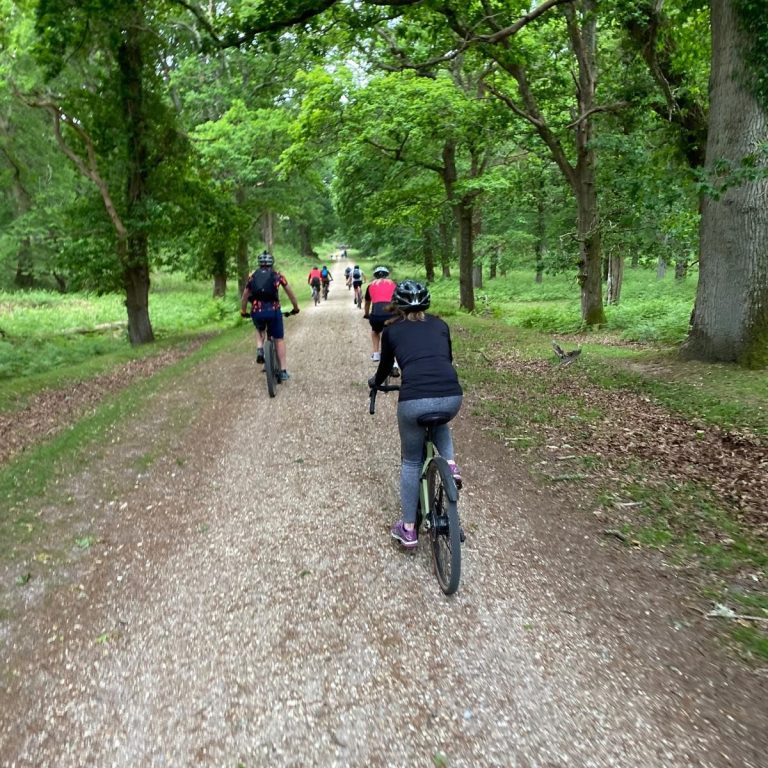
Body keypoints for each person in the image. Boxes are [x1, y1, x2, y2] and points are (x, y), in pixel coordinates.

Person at [368, 280, 463, 549]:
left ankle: (409, 529)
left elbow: (385, 367)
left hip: (414, 401)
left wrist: (375, 383)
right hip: (451, 395)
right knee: (440, 417)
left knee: (411, 462)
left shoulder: (392, 331)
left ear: (397, 306)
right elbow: (446, 359)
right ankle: (450, 464)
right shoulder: (441, 325)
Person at [240, 252, 300, 382]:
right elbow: (290, 293)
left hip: (257, 311)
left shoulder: (252, 277)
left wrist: (243, 311)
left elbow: (245, 296)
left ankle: (260, 349)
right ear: (271, 263)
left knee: (259, 328)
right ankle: (283, 371)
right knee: (279, 339)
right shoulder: (278, 276)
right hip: (273, 311)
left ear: (259, 264)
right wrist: (295, 307)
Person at [363, 266, 397, 362]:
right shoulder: (394, 285)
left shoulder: (370, 286)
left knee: (375, 331)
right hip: (392, 315)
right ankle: (395, 360)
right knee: (395, 334)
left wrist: (366, 314)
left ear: (375, 276)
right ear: (387, 275)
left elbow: (367, 303)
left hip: (376, 316)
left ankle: (376, 354)